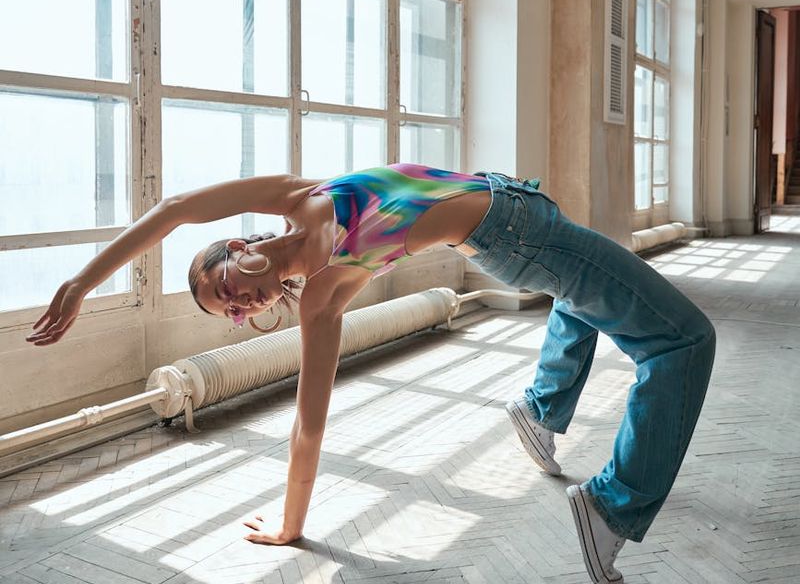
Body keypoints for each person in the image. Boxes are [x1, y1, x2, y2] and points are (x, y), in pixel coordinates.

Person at [26, 164, 715, 584]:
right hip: (521, 238)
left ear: (236, 246)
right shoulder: (325, 295)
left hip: (518, 207)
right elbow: (308, 425)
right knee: (683, 341)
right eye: (227, 315)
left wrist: (83, 282)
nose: (236, 308)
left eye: (224, 288)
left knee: (582, 298)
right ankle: (611, 508)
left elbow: (177, 209)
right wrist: (292, 525)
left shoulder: (300, 196)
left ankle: (539, 412)